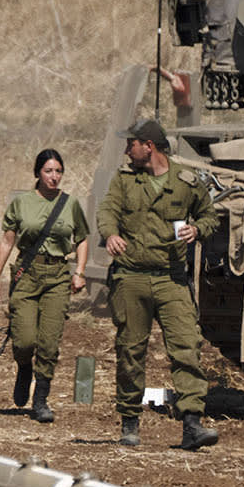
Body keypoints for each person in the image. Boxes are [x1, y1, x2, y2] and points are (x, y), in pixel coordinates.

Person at [98, 118, 219, 451]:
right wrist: (110, 234)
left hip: (171, 278)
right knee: (130, 351)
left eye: (131, 144)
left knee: (186, 348)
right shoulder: (124, 180)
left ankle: (192, 423)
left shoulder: (185, 181)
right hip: (131, 278)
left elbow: (209, 214)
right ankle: (129, 423)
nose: (127, 150)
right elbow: (107, 210)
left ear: (148, 146)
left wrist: (198, 229)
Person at [0, 148, 89, 423]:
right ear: (37, 173)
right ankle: (24, 367)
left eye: (58, 171)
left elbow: (82, 238)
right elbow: (7, 240)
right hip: (27, 274)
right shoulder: (22, 203)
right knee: (24, 340)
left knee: (49, 343)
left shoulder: (70, 204)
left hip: (57, 275)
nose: (54, 177)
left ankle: (41, 400)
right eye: (48, 171)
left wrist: (80, 271)